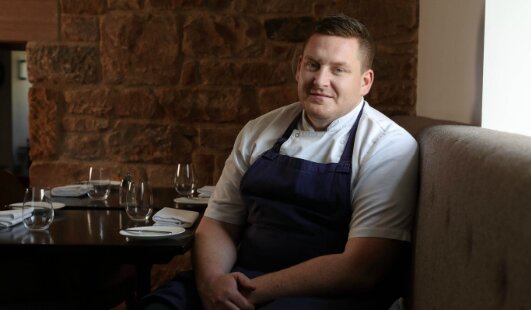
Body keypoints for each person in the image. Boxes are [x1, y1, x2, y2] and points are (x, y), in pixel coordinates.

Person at [139, 14, 418, 310]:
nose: (320, 80)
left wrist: (252, 291)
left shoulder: (388, 146)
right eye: (313, 65)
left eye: (338, 70)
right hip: (239, 279)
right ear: (298, 69)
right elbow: (219, 222)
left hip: (329, 294)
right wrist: (213, 285)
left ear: (365, 82)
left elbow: (362, 268)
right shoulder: (259, 130)